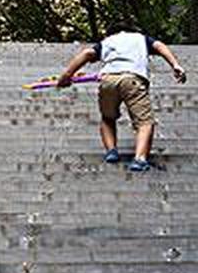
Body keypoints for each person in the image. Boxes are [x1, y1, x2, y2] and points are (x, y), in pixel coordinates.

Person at [57, 24, 186, 172]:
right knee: (144, 122)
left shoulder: (108, 41)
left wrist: (66, 76)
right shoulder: (140, 39)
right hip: (133, 79)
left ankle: (111, 151)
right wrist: (175, 65)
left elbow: (87, 53)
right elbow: (159, 45)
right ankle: (139, 159)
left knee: (107, 118)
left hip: (108, 80)